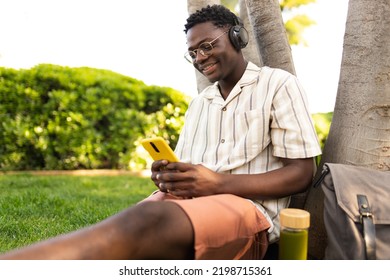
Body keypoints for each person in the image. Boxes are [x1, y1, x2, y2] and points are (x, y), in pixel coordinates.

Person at [0, 4, 321, 260]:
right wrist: (172, 176)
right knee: (130, 226)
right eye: (193, 52)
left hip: (250, 214)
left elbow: (302, 173)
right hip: (194, 203)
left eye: (207, 46)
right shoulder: (200, 104)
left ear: (237, 37)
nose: (200, 57)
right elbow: (189, 168)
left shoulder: (277, 84)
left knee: (143, 224)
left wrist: (218, 183)